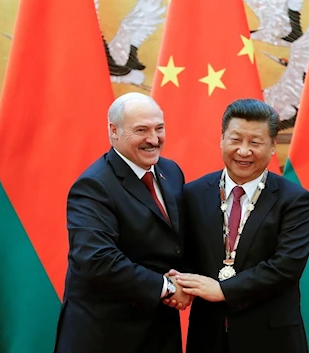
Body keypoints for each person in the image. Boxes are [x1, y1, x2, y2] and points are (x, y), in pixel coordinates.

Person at [54, 92, 192, 353]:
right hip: (106, 335)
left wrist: (191, 281)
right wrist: (167, 288)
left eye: (159, 128)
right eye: (141, 130)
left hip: (158, 332)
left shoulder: (171, 171)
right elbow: (97, 259)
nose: (153, 139)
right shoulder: (94, 185)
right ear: (114, 131)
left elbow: (176, 242)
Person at [175, 99, 309, 353]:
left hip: (271, 339)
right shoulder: (193, 193)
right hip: (208, 337)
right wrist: (178, 282)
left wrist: (224, 290)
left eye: (255, 142)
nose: (243, 151)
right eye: (236, 139)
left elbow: (286, 267)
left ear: (273, 146)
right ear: (222, 139)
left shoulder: (294, 200)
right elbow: (184, 254)